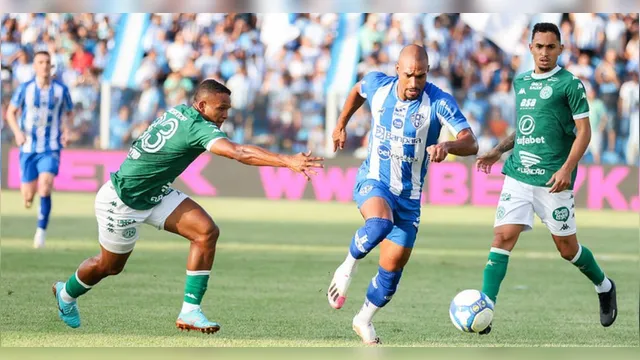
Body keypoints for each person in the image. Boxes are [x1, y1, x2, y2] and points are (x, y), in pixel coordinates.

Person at [51, 79, 324, 333]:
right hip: (122, 200)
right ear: (202, 105)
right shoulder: (198, 126)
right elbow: (238, 153)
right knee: (109, 267)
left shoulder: (181, 111)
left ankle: (190, 311)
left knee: (206, 231)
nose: (226, 114)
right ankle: (66, 294)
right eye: (221, 108)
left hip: (154, 194)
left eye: (228, 108)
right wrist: (287, 161)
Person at [327, 44, 479, 344]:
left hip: (409, 197)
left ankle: (363, 319)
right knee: (379, 224)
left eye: (420, 76)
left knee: (391, 273)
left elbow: (471, 142)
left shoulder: (438, 102)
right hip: (374, 181)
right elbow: (357, 91)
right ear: (397, 70)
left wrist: (447, 146)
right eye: (408, 75)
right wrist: (341, 124)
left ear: (428, 74)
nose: (413, 83)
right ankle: (346, 268)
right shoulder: (378, 85)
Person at [475, 22, 617, 335]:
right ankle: (485, 309)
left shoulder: (570, 84)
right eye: (539, 46)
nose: (544, 53)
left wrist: (566, 169)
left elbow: (585, 132)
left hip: (553, 181)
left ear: (560, 49)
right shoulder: (521, 82)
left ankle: (604, 286)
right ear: (530, 48)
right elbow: (527, 127)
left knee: (568, 250)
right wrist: (497, 151)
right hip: (518, 175)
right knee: (502, 239)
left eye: (550, 47)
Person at [5, 51, 73, 249]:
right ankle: (28, 197)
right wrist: (17, 132)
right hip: (28, 148)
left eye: (47, 62)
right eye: (40, 62)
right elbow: (10, 113)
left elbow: (69, 112)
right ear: (34, 66)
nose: (44, 65)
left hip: (51, 147)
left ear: (51, 66)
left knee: (45, 186)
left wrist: (66, 131)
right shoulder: (25, 89)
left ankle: (40, 233)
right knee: (28, 197)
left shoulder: (61, 90)